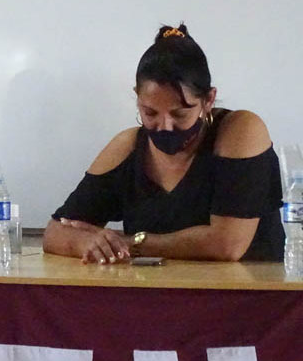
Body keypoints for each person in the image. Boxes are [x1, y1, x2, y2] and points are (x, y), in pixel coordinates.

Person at [43, 24, 284, 263]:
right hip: (155, 295)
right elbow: (55, 232)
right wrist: (88, 242)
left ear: (208, 100)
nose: (164, 126)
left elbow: (226, 245)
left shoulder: (241, 129)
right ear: (137, 97)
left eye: (179, 114)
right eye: (150, 113)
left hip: (249, 296)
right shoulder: (127, 146)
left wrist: (130, 242)